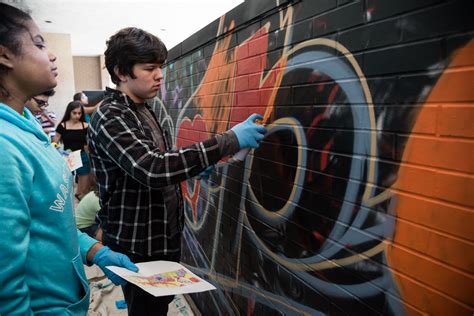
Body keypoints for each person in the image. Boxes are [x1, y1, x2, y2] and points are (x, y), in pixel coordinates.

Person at [88, 27, 267, 315]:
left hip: (161, 239)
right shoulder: (111, 115)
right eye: (150, 68)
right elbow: (152, 167)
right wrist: (229, 140)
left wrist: (195, 169)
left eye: (161, 67)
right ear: (122, 72)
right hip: (138, 246)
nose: (160, 75)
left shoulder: (142, 108)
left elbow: (158, 163)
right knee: (147, 311)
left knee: (158, 307)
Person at [0, 3, 138, 314]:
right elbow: (5, 288)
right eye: (38, 43)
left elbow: (49, 220)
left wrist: (94, 250)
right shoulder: (4, 148)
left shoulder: (26, 124)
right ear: (4, 55)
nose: (51, 55)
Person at [54, 100, 92, 199]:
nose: (77, 116)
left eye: (79, 113)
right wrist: (57, 150)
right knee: (68, 184)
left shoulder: (85, 125)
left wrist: (90, 157)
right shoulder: (63, 125)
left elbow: (88, 144)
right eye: (74, 113)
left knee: (83, 187)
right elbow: (54, 142)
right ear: (69, 112)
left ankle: (79, 202)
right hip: (68, 156)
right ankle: (69, 203)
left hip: (82, 156)